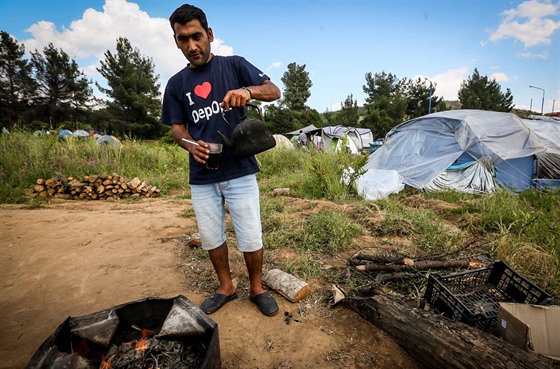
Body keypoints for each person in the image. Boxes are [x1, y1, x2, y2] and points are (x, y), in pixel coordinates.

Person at [162, 4, 281, 316]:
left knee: (250, 233)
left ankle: (256, 288)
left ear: (210, 34)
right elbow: (178, 129)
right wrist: (190, 145)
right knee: (212, 234)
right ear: (176, 41)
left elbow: (274, 90)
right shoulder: (176, 85)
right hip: (202, 174)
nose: (192, 46)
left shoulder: (234, 65)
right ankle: (226, 287)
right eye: (183, 39)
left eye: (197, 36)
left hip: (239, 169)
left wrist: (248, 91)